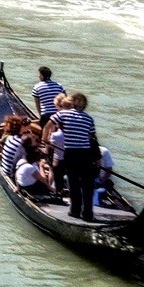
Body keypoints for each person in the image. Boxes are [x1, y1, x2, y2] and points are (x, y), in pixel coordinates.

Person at [53, 92, 100, 221]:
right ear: (85, 105)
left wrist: (45, 139)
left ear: (72, 103)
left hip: (71, 153)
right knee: (87, 185)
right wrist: (96, 158)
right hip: (86, 155)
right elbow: (92, 138)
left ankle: (75, 211)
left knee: (73, 183)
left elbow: (49, 124)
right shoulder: (89, 119)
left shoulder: (63, 113)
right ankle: (88, 214)